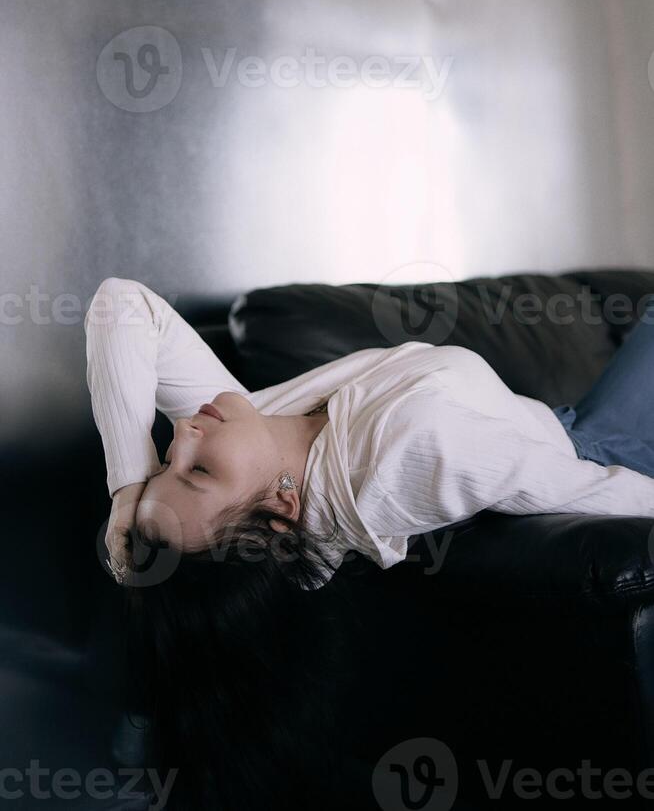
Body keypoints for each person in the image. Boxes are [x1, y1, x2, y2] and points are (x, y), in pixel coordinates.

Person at [85, 276, 654, 811]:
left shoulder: (250, 429)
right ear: (283, 510)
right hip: (606, 454)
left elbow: (123, 304)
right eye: (199, 470)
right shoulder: (404, 456)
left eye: (167, 462)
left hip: (561, 420)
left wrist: (127, 488)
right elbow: (596, 491)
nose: (182, 433)